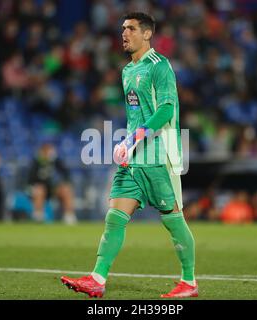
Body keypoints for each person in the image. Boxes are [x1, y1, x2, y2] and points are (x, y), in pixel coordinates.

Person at [61, 12, 197, 298]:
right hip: (134, 157)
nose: (124, 33)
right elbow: (136, 116)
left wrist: (134, 139)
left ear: (147, 34)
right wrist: (128, 143)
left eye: (131, 29)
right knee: (114, 216)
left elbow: (166, 110)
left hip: (160, 155)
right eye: (123, 28)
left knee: (173, 219)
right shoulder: (126, 71)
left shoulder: (160, 67)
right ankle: (97, 278)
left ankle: (189, 282)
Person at [27, 142, 76, 224]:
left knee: (66, 189)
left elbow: (66, 174)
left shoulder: (56, 161)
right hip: (42, 190)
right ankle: (38, 216)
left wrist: (61, 183)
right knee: (39, 189)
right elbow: (30, 180)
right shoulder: (36, 162)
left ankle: (69, 216)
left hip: (54, 189)